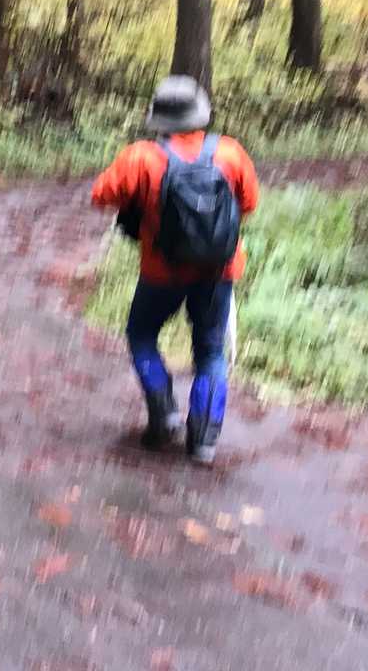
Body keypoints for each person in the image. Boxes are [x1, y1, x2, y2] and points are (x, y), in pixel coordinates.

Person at [91, 76, 259, 464]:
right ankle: (203, 441)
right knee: (211, 352)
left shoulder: (140, 157)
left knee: (141, 334)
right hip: (217, 272)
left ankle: (164, 411)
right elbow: (249, 204)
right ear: (199, 114)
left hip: (161, 272)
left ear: (160, 118)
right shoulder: (230, 153)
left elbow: (100, 195)